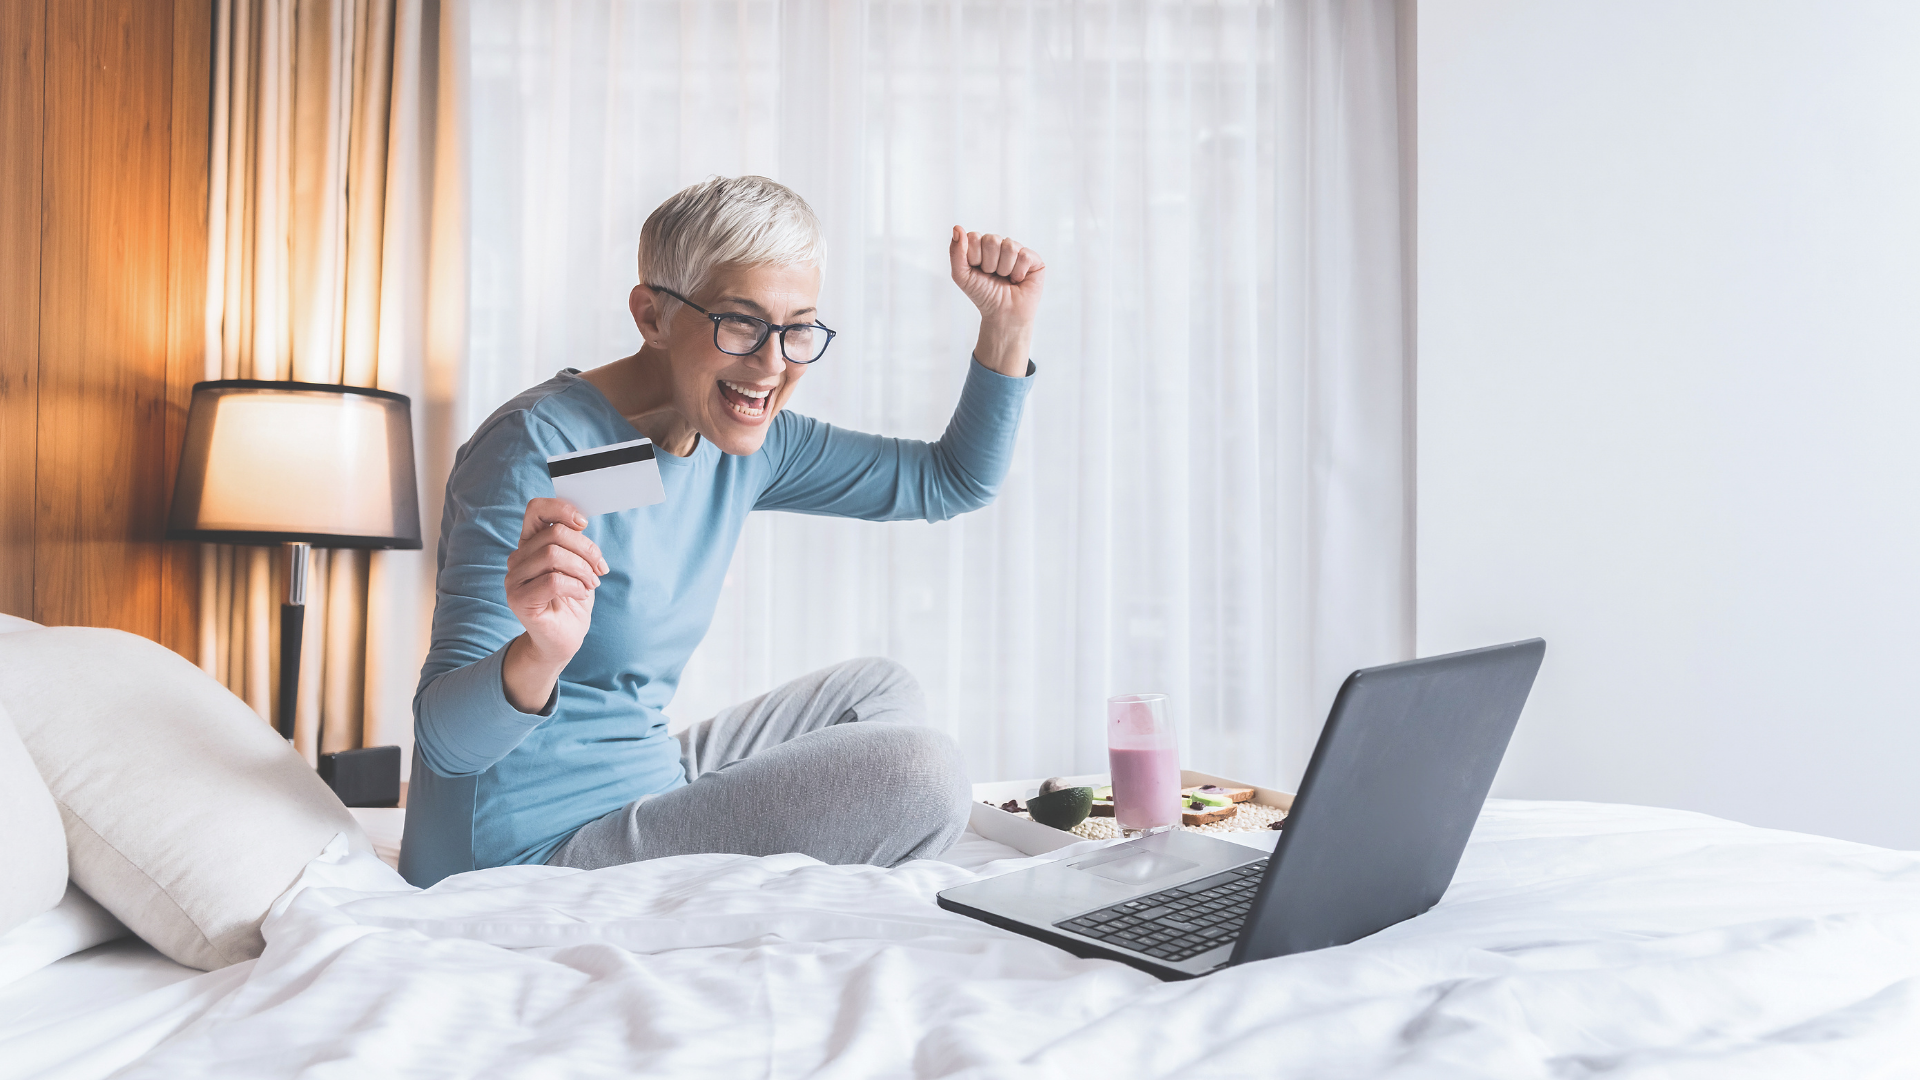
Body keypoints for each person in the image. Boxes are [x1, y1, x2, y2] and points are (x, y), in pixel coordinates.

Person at [398, 176, 1044, 886]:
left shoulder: (731, 443)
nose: (771, 365)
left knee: (879, 691)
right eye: (740, 323)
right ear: (652, 316)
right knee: (922, 773)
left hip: (645, 784)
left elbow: (948, 480)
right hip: (526, 853)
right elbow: (444, 745)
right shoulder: (541, 450)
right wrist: (538, 655)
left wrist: (1005, 327)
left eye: (798, 328)